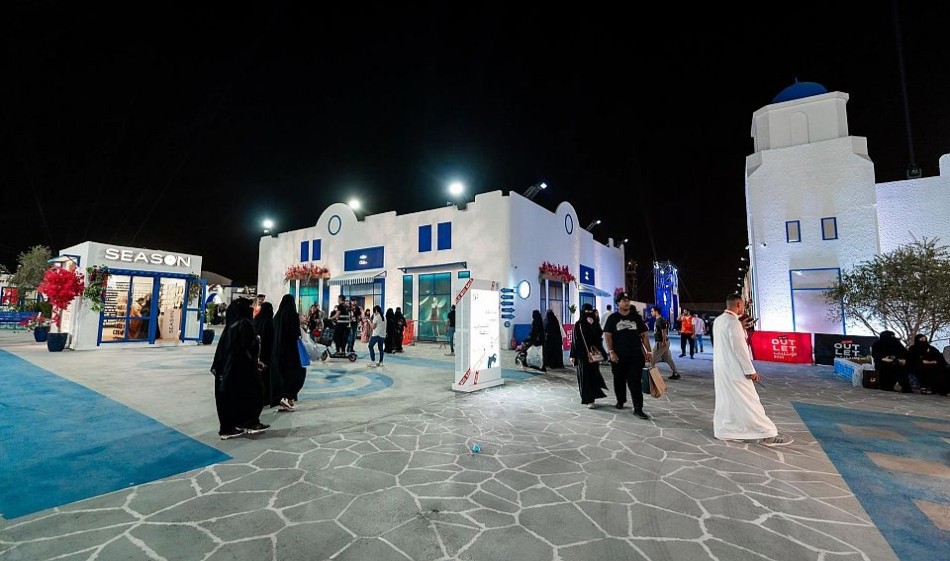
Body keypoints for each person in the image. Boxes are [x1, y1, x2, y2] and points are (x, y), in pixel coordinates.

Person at [712, 293, 792, 446]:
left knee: (728, 401)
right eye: (743, 305)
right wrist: (750, 371)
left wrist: (740, 328)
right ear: (738, 305)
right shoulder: (733, 323)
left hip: (722, 369)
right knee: (750, 401)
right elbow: (740, 349)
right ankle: (766, 433)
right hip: (735, 370)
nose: (743, 307)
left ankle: (727, 431)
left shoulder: (719, 321)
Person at [210, 298, 268, 439]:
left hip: (228, 368)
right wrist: (256, 343)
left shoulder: (230, 326)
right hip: (242, 368)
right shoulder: (244, 324)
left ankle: (231, 426)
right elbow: (248, 346)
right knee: (254, 393)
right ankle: (249, 422)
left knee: (232, 397)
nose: (251, 310)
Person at [603, 292, 653, 419]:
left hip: (635, 356)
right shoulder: (613, 318)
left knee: (635, 382)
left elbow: (644, 335)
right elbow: (608, 335)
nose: (627, 303)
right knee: (619, 380)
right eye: (624, 300)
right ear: (618, 303)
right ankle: (620, 400)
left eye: (628, 300)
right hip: (618, 357)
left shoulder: (636, 317)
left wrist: (649, 351)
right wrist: (611, 352)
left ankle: (638, 408)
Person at [271, 294, 307, 411]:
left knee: (282, 374)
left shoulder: (277, 317)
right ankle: (288, 396)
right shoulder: (293, 317)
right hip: (292, 351)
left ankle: (285, 397)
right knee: (296, 374)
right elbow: (296, 334)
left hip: (279, 351)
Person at [569, 304, 609, 408]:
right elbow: (575, 341)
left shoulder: (594, 323)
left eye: (589, 311)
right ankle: (588, 399)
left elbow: (599, 337)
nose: (588, 313)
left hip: (593, 355)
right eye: (586, 311)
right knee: (584, 377)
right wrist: (573, 355)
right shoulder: (578, 324)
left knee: (593, 376)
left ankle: (593, 397)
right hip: (582, 355)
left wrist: (593, 325)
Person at [252, 301, 274, 407]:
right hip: (268, 353)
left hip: (257, 353)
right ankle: (266, 398)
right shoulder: (269, 322)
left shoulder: (256, 320)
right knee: (267, 376)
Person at [650, 308, 680, 380]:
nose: (651, 313)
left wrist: (663, 342)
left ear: (656, 312)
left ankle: (650, 377)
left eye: (652, 311)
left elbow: (664, 331)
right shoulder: (658, 320)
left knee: (652, 359)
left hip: (660, 343)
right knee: (668, 358)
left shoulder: (660, 320)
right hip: (662, 342)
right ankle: (676, 373)